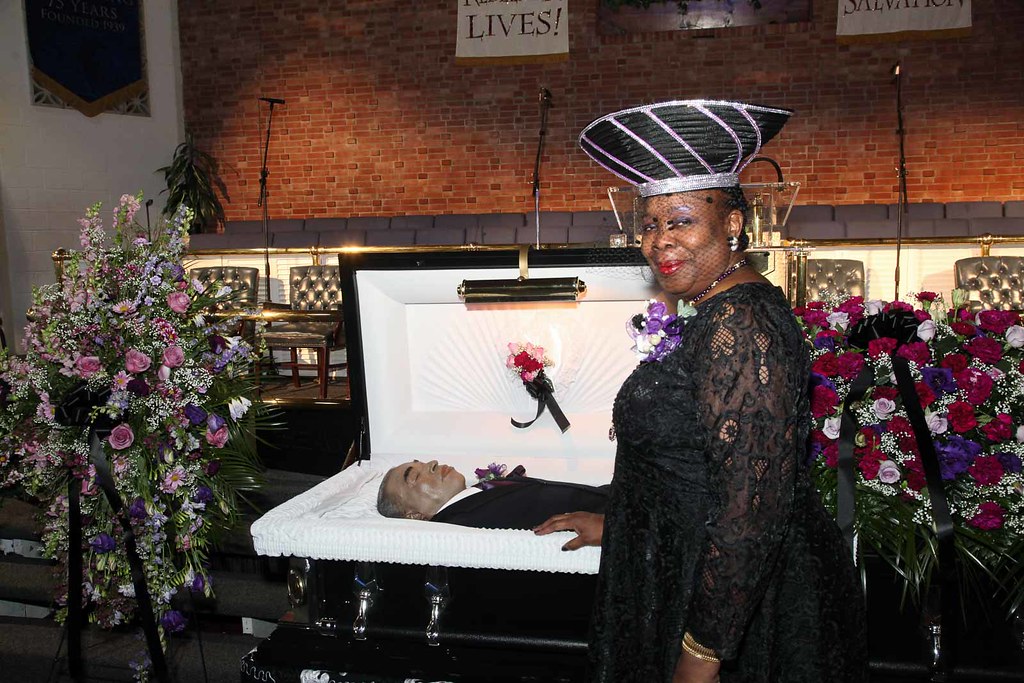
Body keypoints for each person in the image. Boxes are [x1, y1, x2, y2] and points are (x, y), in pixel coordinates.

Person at [536, 101, 868, 683]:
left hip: (734, 610)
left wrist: (701, 657)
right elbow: (696, 467)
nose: (659, 241)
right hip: (690, 569)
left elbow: (752, 511)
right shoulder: (714, 310)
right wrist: (621, 525)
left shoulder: (742, 323)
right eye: (649, 224)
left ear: (733, 225)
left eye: (681, 221)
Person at [376, 459, 608, 537]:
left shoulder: (472, 500)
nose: (432, 463)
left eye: (422, 462)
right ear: (415, 516)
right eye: (415, 475)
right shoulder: (465, 524)